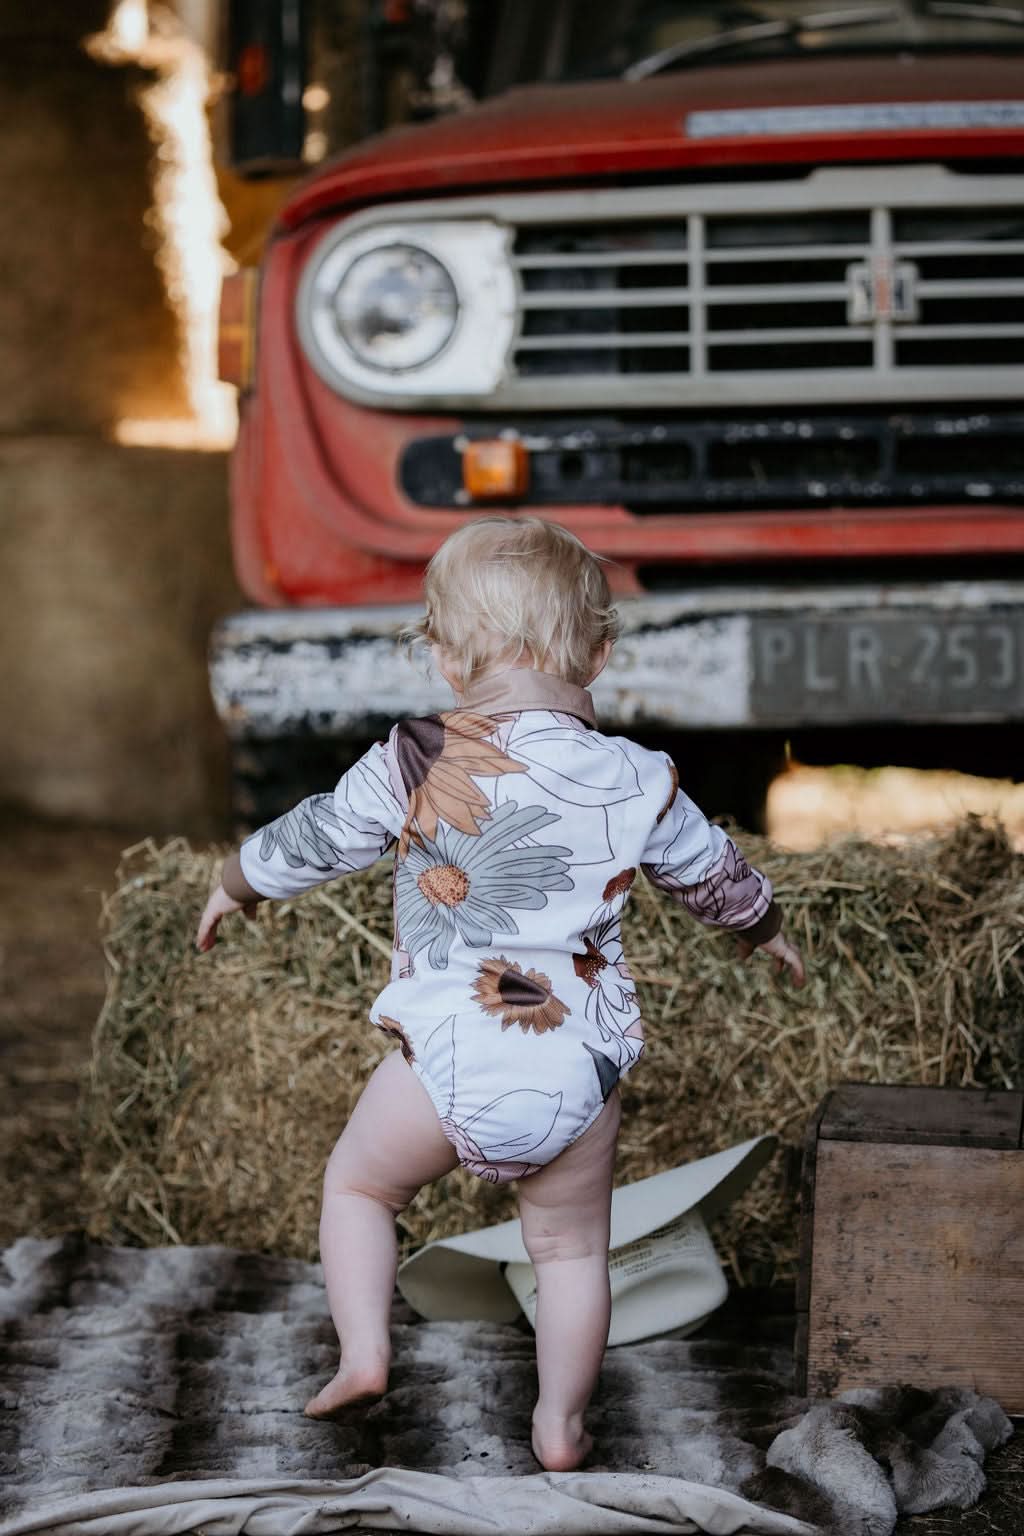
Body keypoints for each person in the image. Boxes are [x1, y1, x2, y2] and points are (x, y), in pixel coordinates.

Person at [196, 515, 804, 1472]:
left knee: (359, 1186)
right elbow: (713, 872)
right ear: (600, 653)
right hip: (576, 1066)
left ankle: (364, 1350)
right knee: (569, 1257)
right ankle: (560, 1425)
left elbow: (320, 834)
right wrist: (762, 928)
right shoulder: (641, 777)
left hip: (444, 1056)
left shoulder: (419, 757)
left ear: (444, 660)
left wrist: (237, 879)